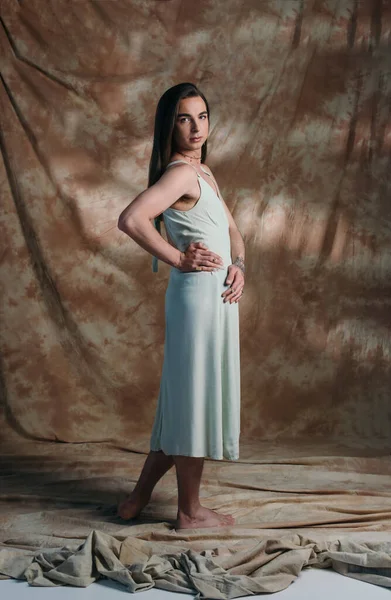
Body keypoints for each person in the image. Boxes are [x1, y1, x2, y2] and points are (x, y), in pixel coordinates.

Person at [117, 83, 245, 529]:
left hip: (215, 297)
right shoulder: (180, 174)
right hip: (197, 302)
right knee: (193, 403)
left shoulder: (203, 171)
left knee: (185, 402)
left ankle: (135, 501)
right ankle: (189, 512)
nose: (196, 127)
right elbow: (130, 219)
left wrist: (239, 266)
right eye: (185, 118)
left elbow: (233, 234)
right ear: (169, 126)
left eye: (203, 116)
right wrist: (178, 258)